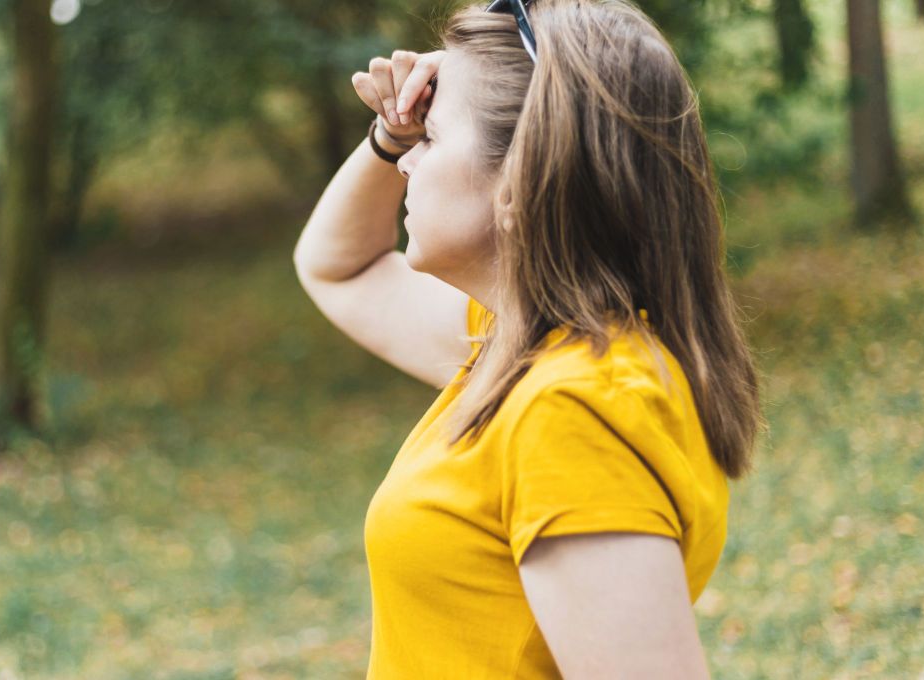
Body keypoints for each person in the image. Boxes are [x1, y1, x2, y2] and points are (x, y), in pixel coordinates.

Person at [292, 0, 763, 677]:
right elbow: (338, 266)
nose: (405, 163)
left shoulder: (574, 407)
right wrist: (389, 135)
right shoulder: (527, 348)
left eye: (431, 137)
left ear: (517, 181)